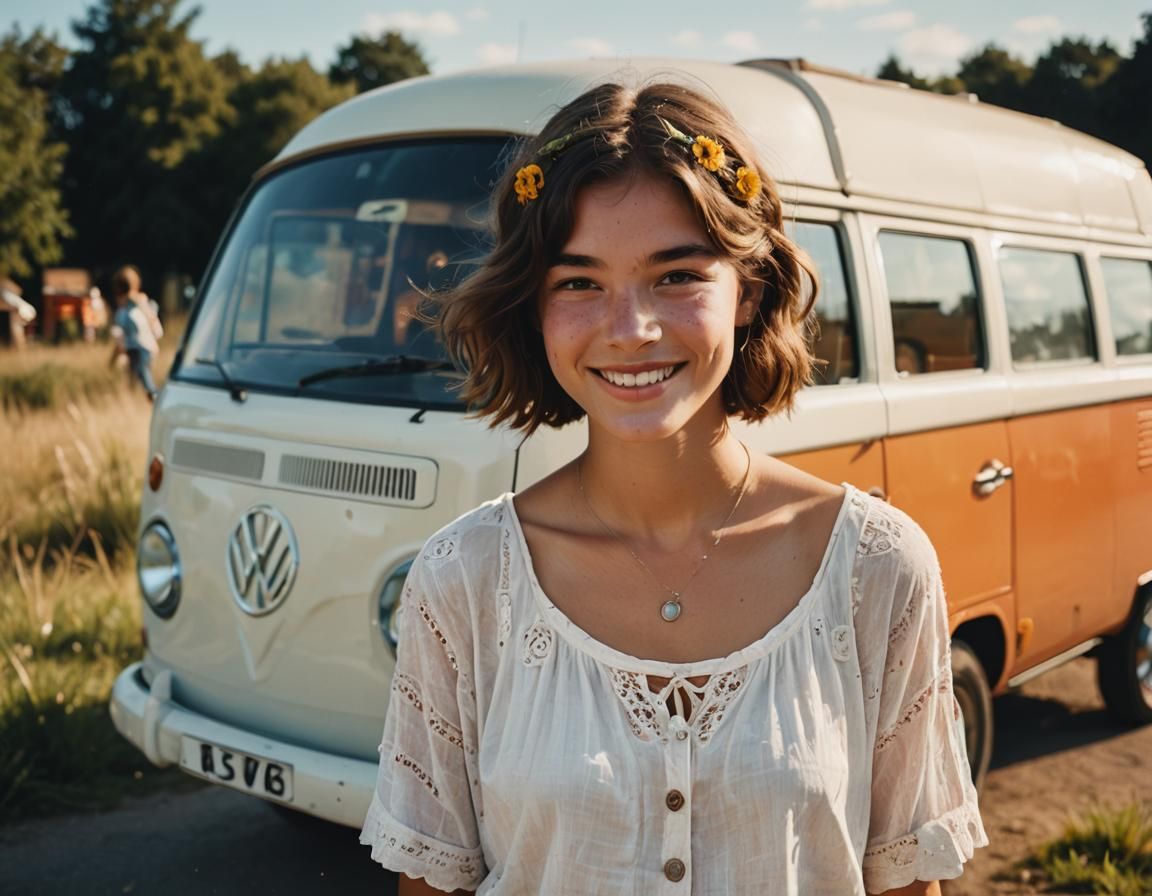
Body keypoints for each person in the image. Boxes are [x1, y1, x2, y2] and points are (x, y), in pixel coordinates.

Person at [360, 80, 987, 895]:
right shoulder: (462, 582)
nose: (630, 330)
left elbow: (908, 883)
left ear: (748, 288)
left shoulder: (877, 568)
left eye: (676, 274)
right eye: (579, 282)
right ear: (536, 304)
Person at [109, 265, 163, 401]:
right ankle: (148, 399)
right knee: (141, 378)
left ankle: (154, 399)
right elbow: (158, 332)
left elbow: (121, 341)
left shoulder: (123, 313)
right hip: (150, 348)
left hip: (137, 350)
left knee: (142, 382)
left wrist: (112, 360)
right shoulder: (145, 304)